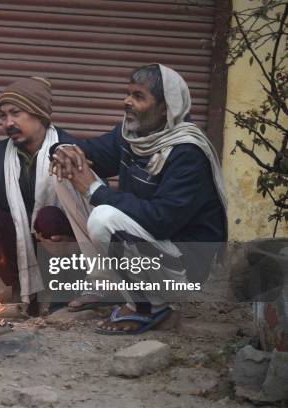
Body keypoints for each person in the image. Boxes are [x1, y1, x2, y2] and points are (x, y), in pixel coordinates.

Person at [50, 64, 227, 334]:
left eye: (138, 96)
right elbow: (88, 150)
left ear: (166, 108)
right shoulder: (133, 136)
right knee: (65, 172)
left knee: (104, 217)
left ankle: (149, 306)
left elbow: (161, 220)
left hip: (182, 267)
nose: (126, 102)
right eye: (128, 93)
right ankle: (105, 282)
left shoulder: (188, 152)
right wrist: (61, 149)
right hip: (154, 250)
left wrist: (96, 191)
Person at [0, 77, 86, 308]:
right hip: (17, 248)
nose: (8, 123)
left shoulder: (71, 151)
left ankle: (62, 293)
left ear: (39, 113)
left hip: (63, 248)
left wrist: (73, 239)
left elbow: (95, 211)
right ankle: (23, 286)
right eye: (3, 116)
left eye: (16, 113)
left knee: (49, 217)